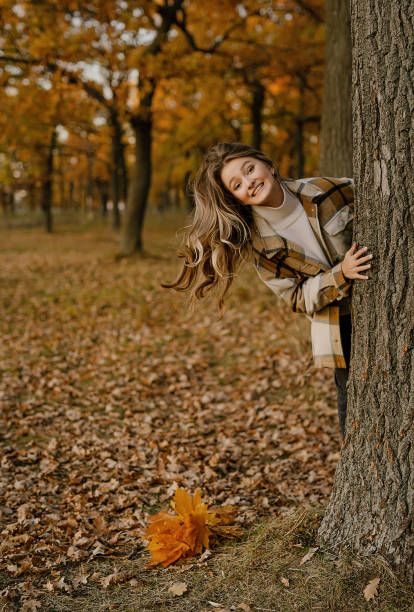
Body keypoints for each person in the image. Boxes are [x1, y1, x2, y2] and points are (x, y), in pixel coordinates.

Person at [163, 142, 373, 438]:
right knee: (352, 406)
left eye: (250, 169)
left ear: (268, 166)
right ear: (237, 199)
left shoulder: (326, 190)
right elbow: (296, 297)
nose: (249, 182)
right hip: (340, 325)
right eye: (237, 184)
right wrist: (340, 275)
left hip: (381, 305)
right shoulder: (262, 248)